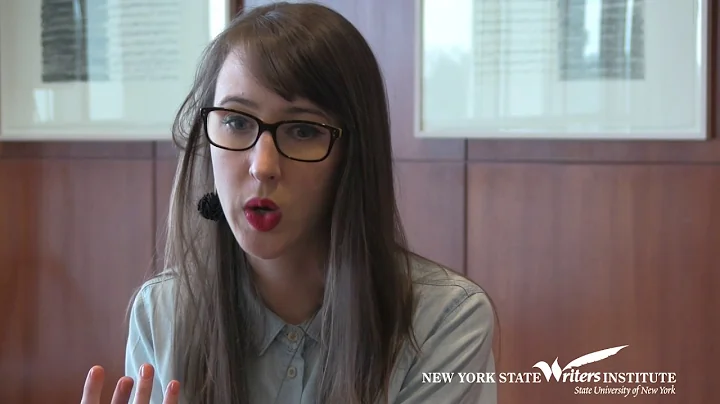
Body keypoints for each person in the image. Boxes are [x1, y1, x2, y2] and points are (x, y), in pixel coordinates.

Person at [79, 2, 497, 403]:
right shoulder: (162, 313)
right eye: (237, 122)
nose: (263, 166)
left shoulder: (445, 321)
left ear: (353, 154)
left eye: (301, 130)